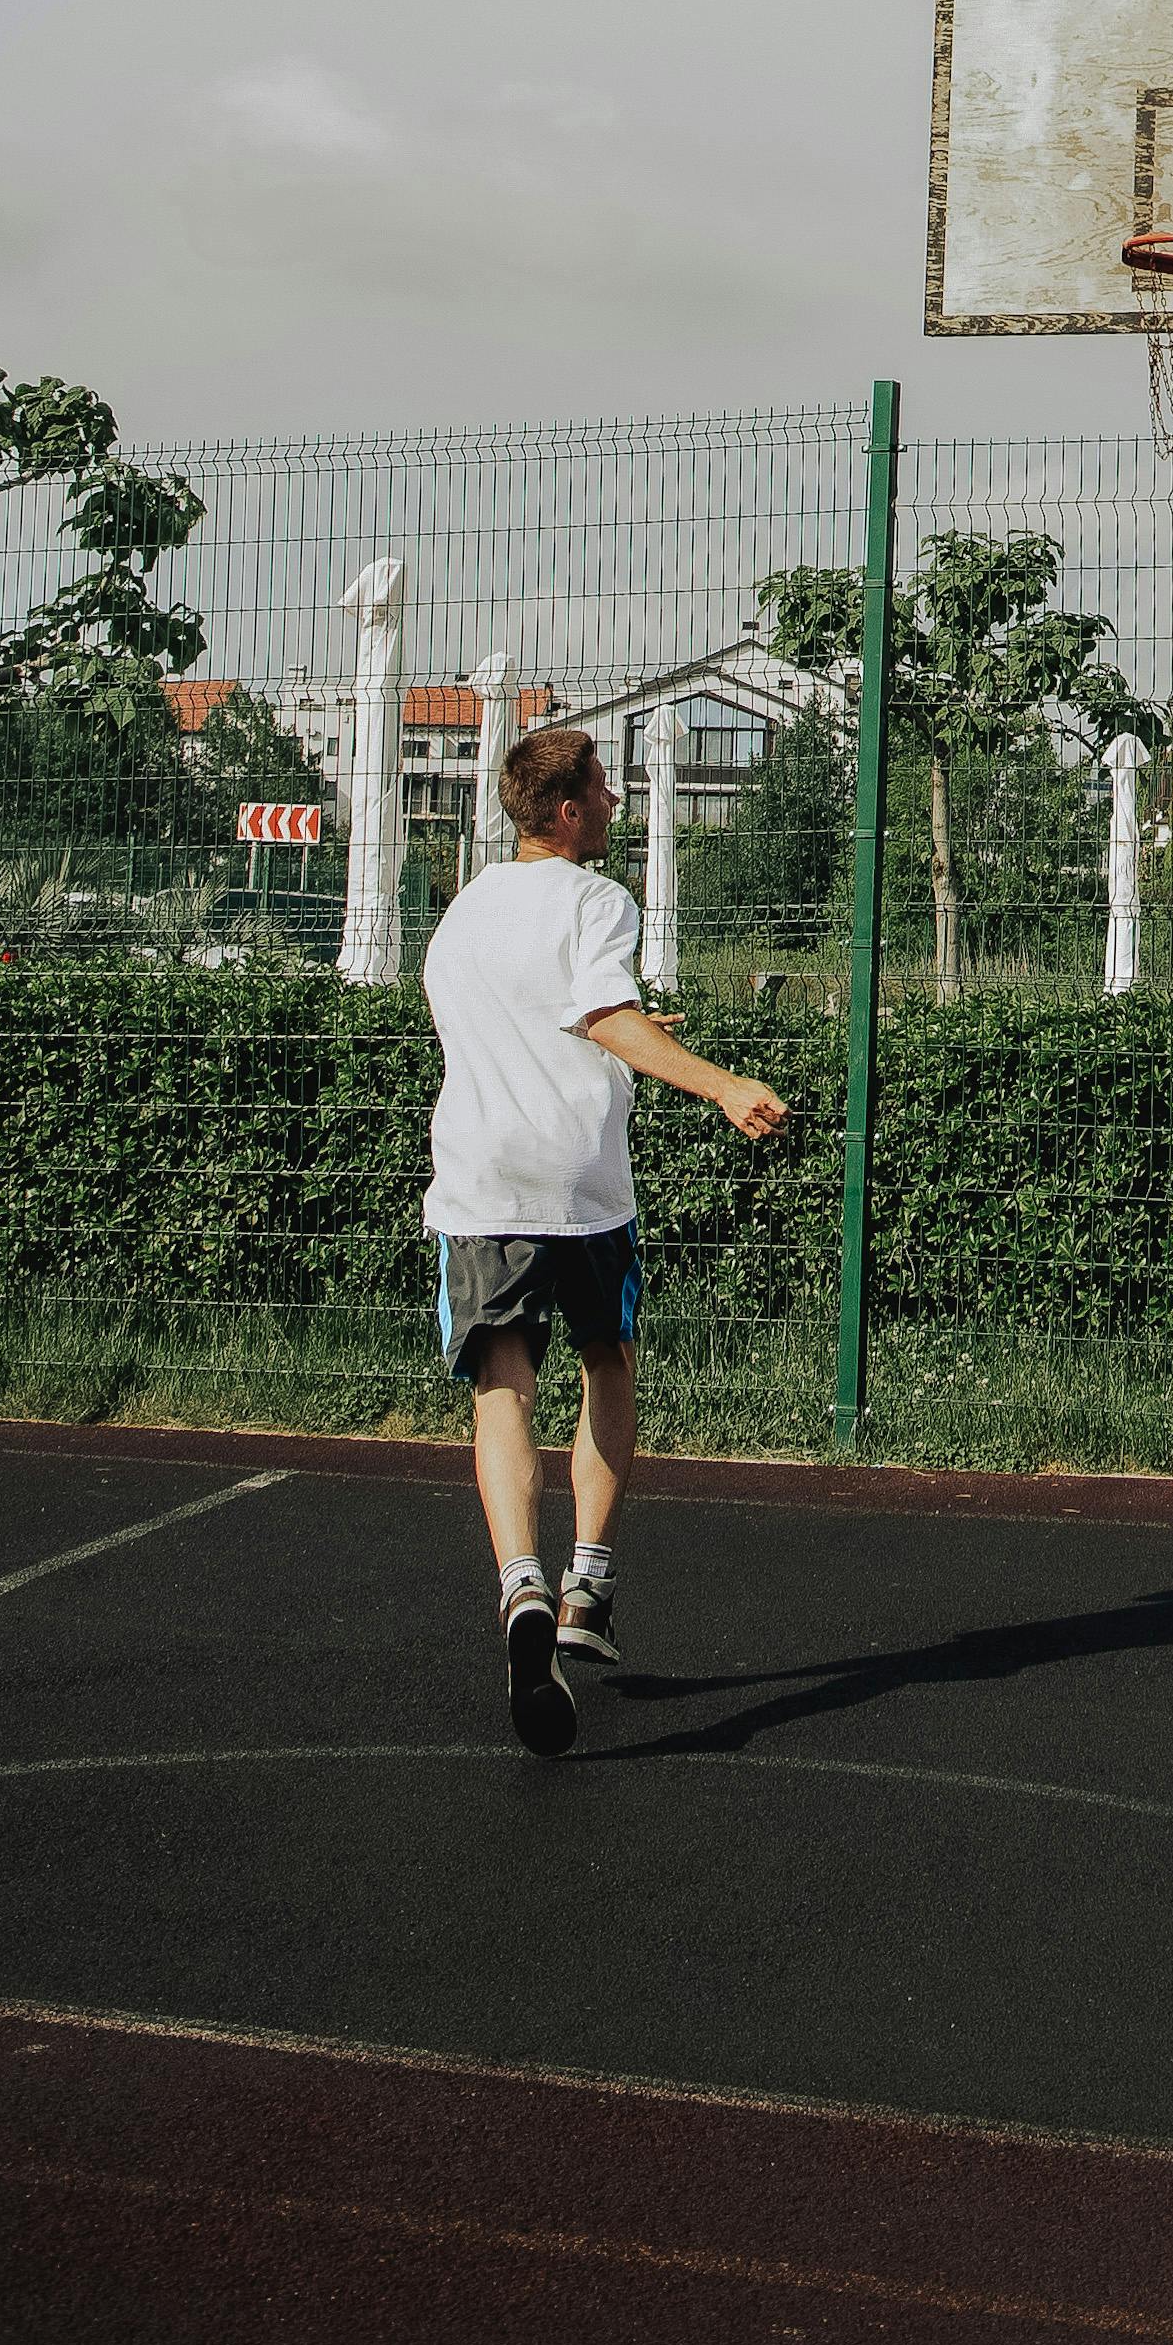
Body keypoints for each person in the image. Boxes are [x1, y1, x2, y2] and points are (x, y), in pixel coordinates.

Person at [420, 715, 787, 1755]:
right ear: (569, 808)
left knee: (503, 1379)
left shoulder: (463, 913)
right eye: (606, 789)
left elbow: (457, 1016)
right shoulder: (598, 898)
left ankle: (519, 1582)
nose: (618, 804)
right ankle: (587, 1580)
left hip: (481, 1177)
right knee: (608, 1360)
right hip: (581, 1180)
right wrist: (722, 1082)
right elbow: (604, 1013)